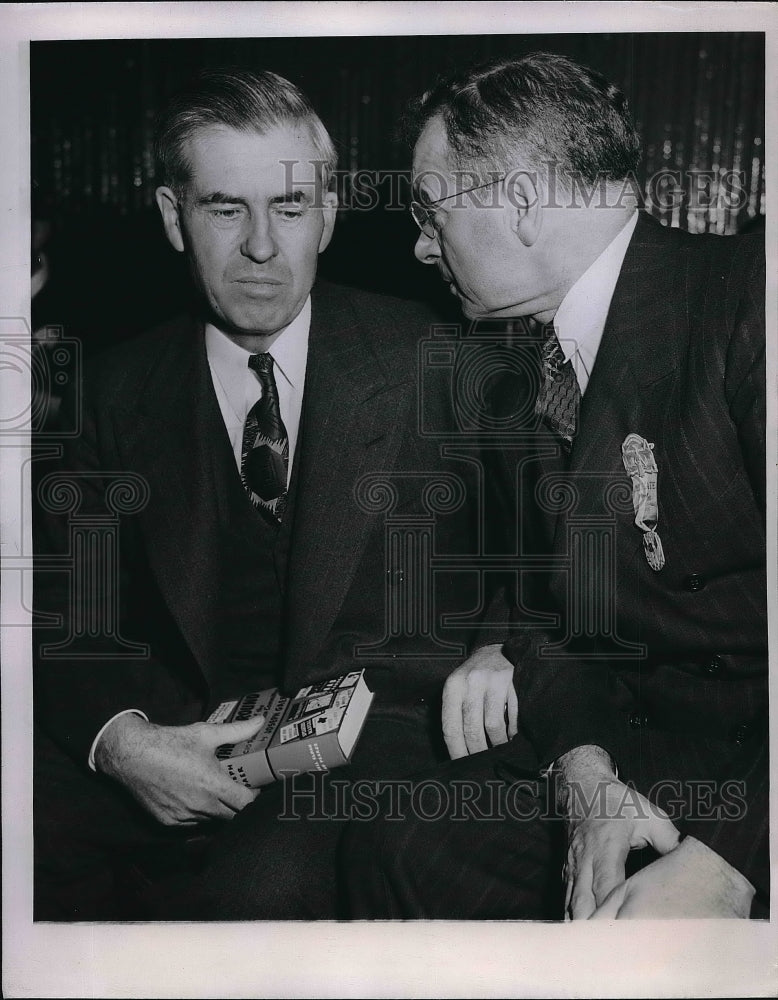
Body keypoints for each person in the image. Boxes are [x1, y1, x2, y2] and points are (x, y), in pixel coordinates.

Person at [32, 68, 493, 920]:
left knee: (254, 894)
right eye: (223, 209)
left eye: (288, 208)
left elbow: (542, 558)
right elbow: (65, 610)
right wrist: (123, 741)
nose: (260, 247)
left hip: (370, 758)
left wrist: (499, 651)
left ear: (329, 215)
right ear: (173, 218)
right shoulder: (111, 393)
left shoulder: (438, 360)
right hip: (171, 742)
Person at [344, 51, 768, 920]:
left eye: (431, 213)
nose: (420, 246)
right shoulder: (520, 361)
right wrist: (585, 775)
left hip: (756, 779)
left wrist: (730, 864)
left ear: (523, 203)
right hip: (643, 758)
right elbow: (554, 616)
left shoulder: (750, 300)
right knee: (398, 843)